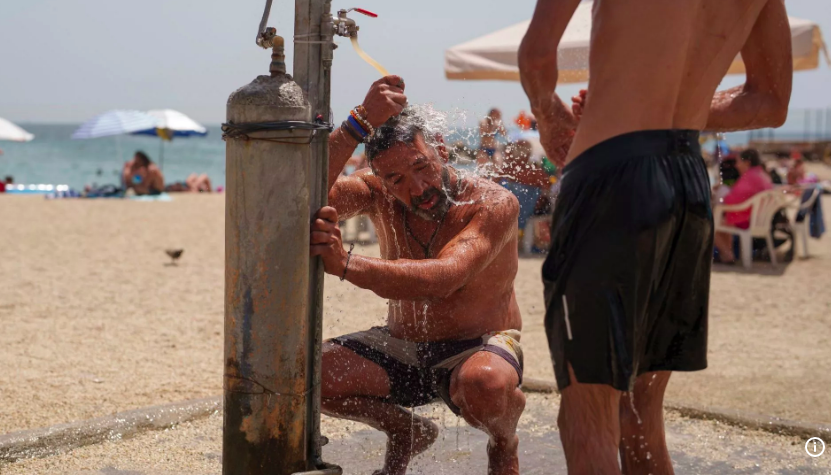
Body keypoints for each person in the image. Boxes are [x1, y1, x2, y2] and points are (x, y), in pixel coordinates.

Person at [518, 1, 792, 473]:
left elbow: (537, 56)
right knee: (639, 415)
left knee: (588, 418)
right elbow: (769, 100)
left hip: (611, 178)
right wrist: (661, 101)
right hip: (687, 182)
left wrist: (549, 117)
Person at [310, 76, 526, 475]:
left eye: (421, 166)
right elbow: (302, 191)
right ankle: (406, 431)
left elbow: (445, 277)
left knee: (486, 386)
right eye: (397, 180)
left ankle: (503, 442)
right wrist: (357, 124)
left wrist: (346, 264)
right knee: (310, 376)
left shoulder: (494, 203)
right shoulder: (376, 193)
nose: (418, 187)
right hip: (403, 344)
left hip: (477, 346)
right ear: (380, 178)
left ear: (440, 149)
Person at [713, 149, 775, 262]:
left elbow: (731, 200)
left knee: (712, 223)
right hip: (759, 219)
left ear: (747, 162)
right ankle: (727, 255)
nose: (736, 165)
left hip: (747, 220)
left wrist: (722, 194)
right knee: (723, 222)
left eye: (738, 162)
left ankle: (728, 256)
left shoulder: (749, 177)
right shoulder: (762, 175)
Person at [496, 140, 551, 247]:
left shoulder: (509, 169)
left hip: (511, 210)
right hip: (530, 209)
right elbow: (548, 186)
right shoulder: (534, 170)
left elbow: (492, 183)